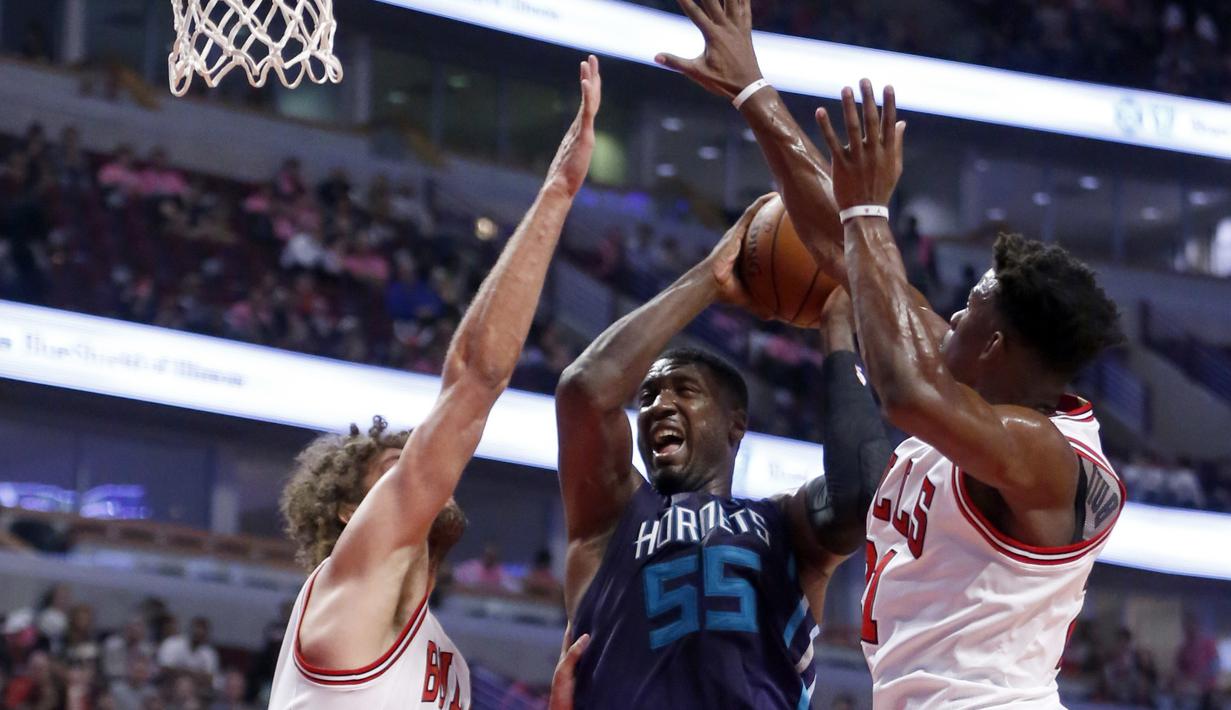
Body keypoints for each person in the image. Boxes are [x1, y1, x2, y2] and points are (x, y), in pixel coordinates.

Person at [658, 1, 1126, 705]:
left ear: (995, 344)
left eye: (968, 309)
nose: (950, 316)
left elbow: (902, 391)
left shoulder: (1046, 457)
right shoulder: (974, 389)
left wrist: (870, 216)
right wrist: (753, 93)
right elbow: (838, 245)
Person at [267, 55, 603, 710]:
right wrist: (559, 190)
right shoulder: (352, 582)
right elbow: (473, 376)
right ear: (347, 513)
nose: (415, 473)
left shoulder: (439, 652)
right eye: (392, 470)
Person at [555, 196, 886, 706]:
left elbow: (862, 490)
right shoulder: (611, 518)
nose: (659, 405)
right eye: (648, 396)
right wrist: (709, 279)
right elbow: (584, 389)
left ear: (736, 425)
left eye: (684, 391)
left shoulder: (784, 526)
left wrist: (837, 329)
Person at [157, 617, 219, 689]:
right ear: (189, 630)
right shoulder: (172, 643)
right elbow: (164, 669)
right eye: (196, 632)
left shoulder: (209, 653)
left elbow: (210, 679)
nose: (198, 634)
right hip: (168, 686)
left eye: (202, 634)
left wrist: (182, 672)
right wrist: (194, 674)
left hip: (196, 691)